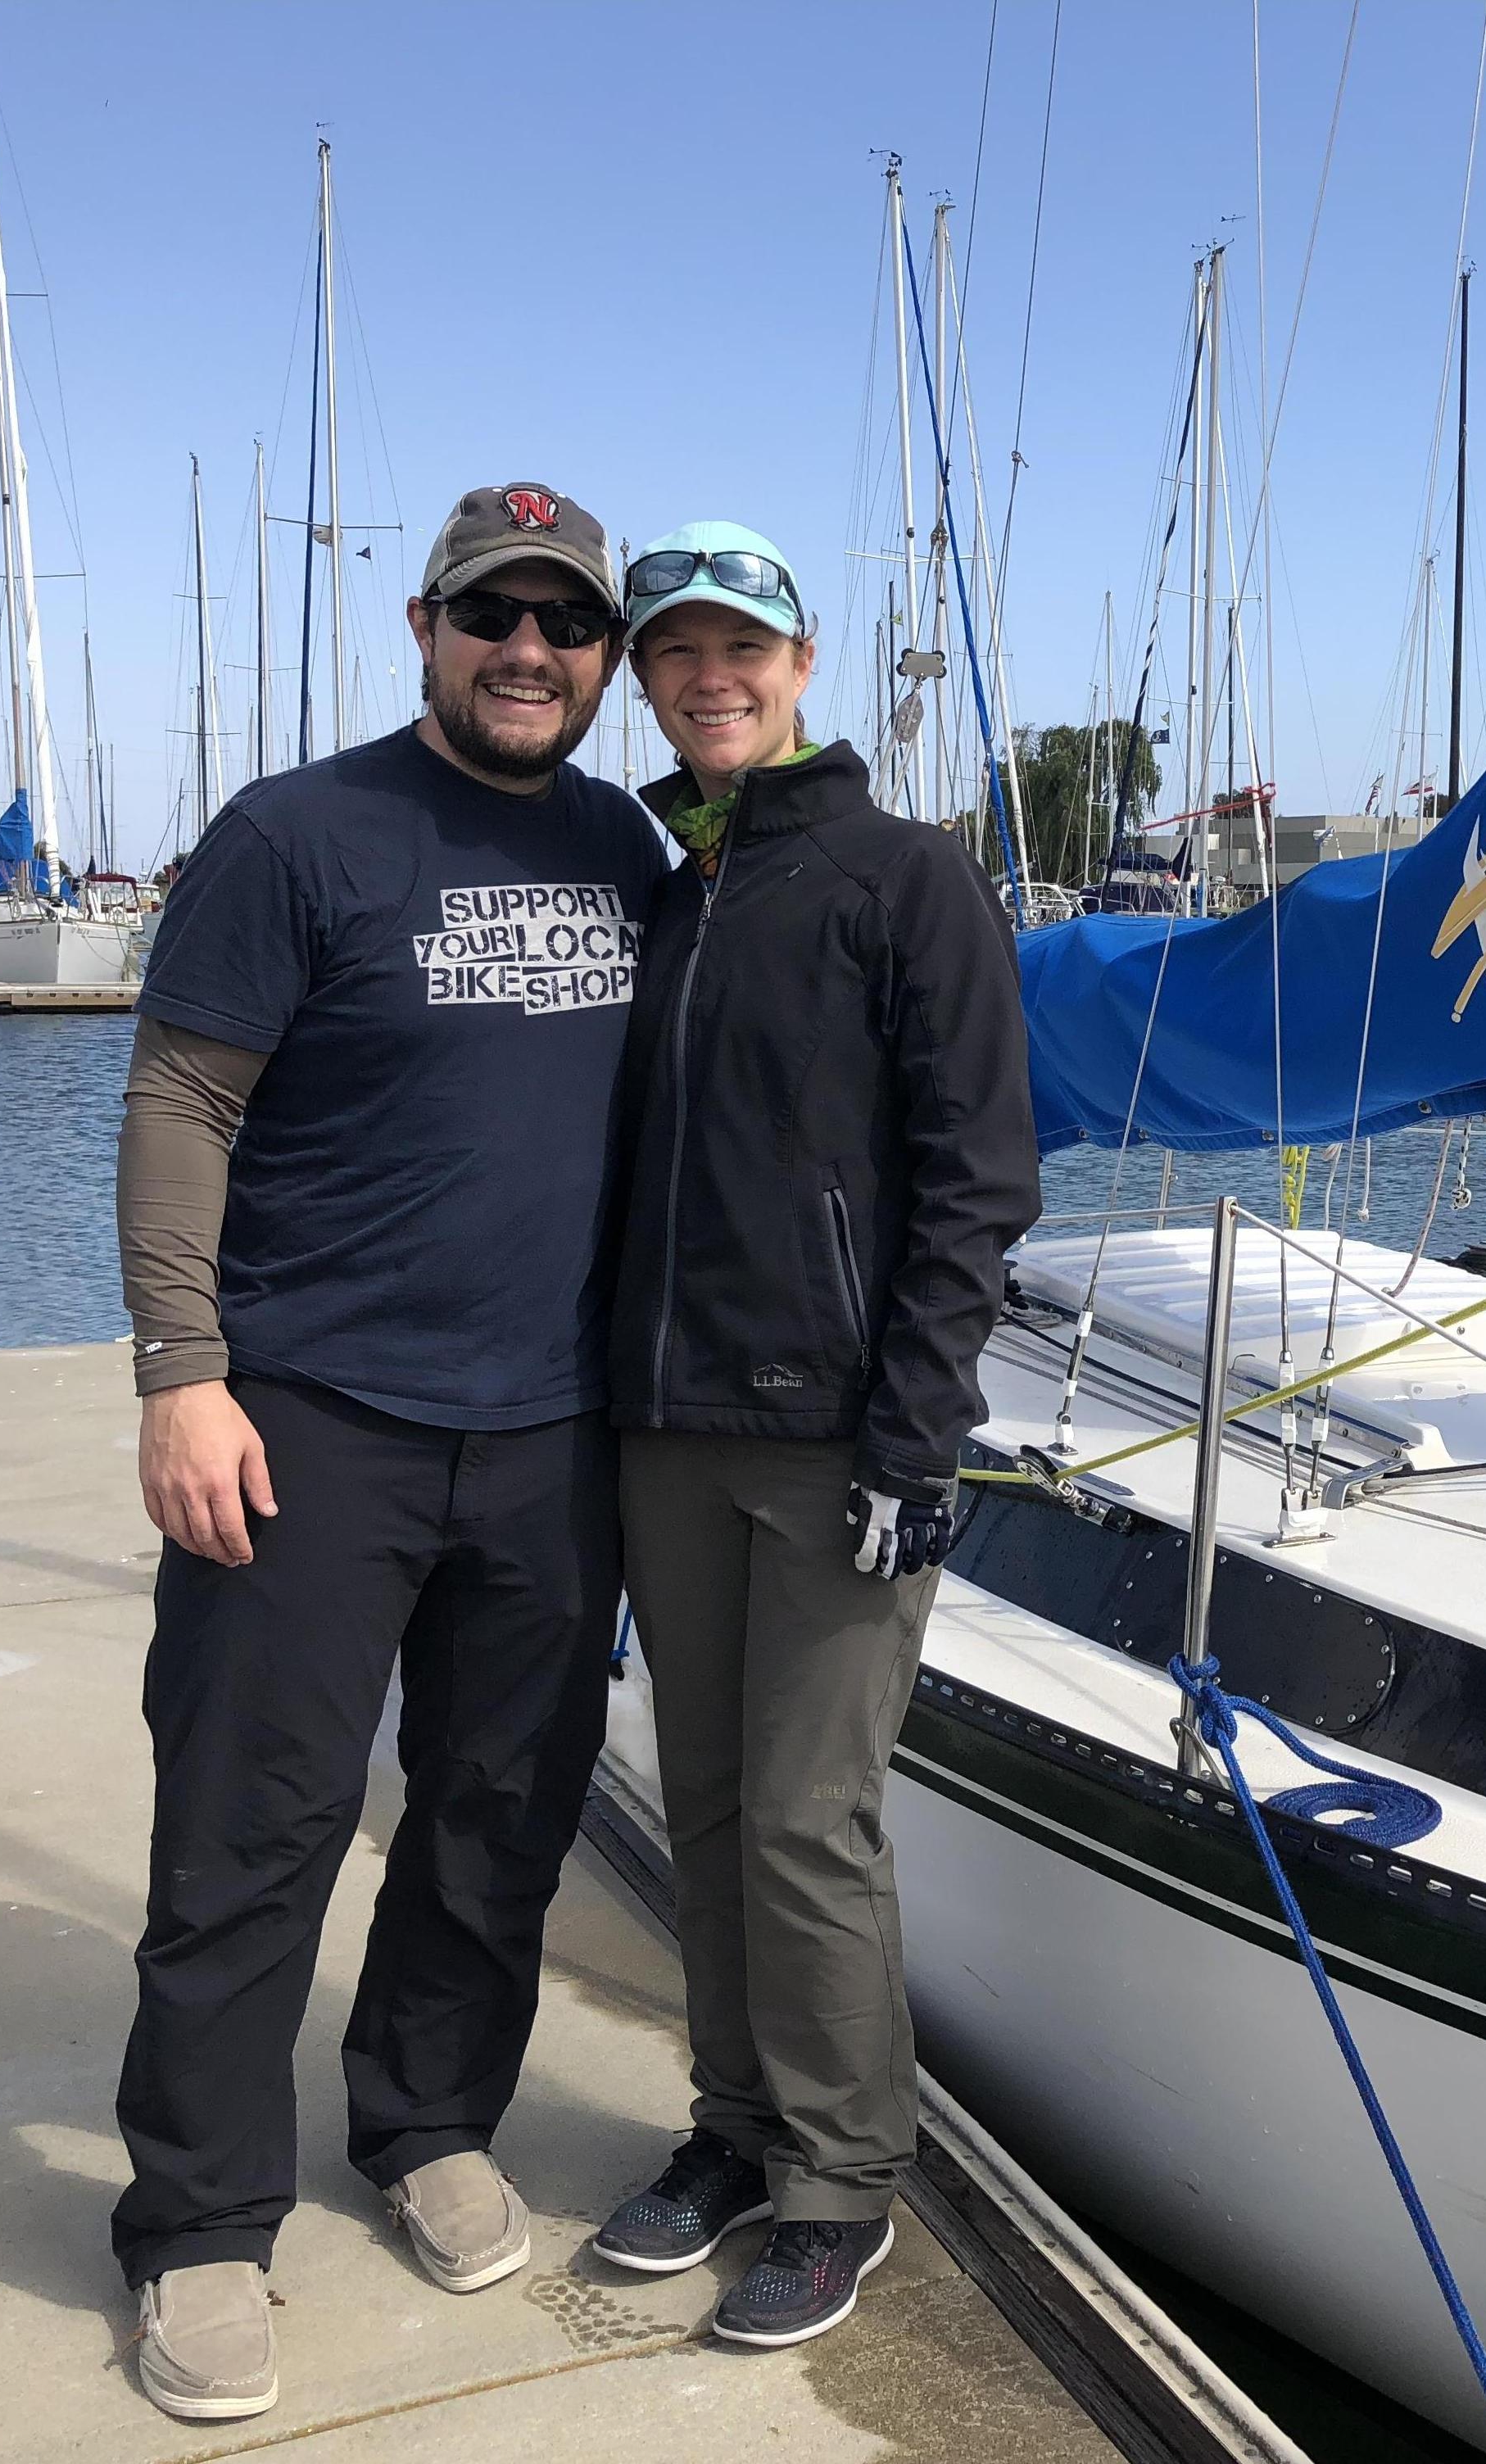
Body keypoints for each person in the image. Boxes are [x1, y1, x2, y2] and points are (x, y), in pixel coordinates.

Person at [111, 484, 665, 2423]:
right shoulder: (297, 832)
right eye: (492, 615)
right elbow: (182, 1094)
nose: (531, 651)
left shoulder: (625, 840)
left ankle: (426, 2119)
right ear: (424, 626)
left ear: (605, 655)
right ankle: (195, 2222)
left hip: (551, 1434)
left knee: (496, 1819)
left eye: (567, 624)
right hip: (310, 1421)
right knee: (247, 1830)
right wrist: (184, 1368)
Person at [587, 523, 1038, 2346]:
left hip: (835, 1435)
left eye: (741, 647)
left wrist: (913, 1444)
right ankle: (734, 2126)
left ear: (802, 660)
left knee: (802, 1819)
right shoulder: (667, 882)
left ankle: (843, 2177)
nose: (711, 675)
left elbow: (976, 1177)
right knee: (699, 1808)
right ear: (645, 674)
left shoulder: (898, 876)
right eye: (677, 650)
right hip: (662, 1422)